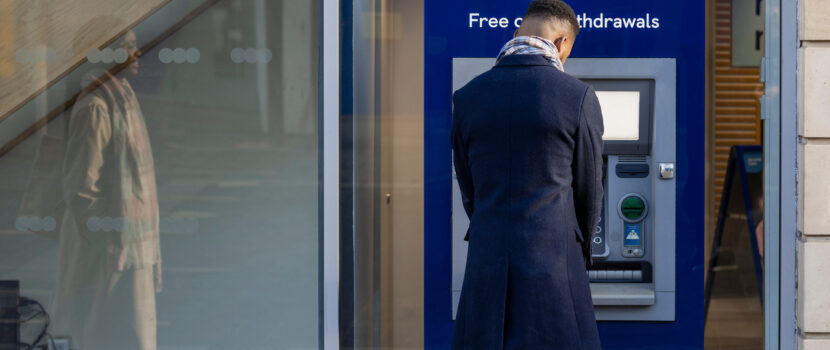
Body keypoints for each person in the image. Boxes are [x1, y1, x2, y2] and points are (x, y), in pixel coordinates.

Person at [450, 1, 603, 349]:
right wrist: (576, 253)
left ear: (518, 32)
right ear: (563, 43)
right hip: (554, 266)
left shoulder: (468, 97)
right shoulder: (577, 96)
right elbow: (589, 191)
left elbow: (469, 188)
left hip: (487, 263)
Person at [52, 17, 161, 350]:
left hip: (126, 244)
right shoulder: (98, 107)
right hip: (108, 251)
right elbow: (80, 190)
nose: (138, 51)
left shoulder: (123, 99)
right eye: (128, 46)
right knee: (106, 335)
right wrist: (112, 236)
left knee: (126, 334)